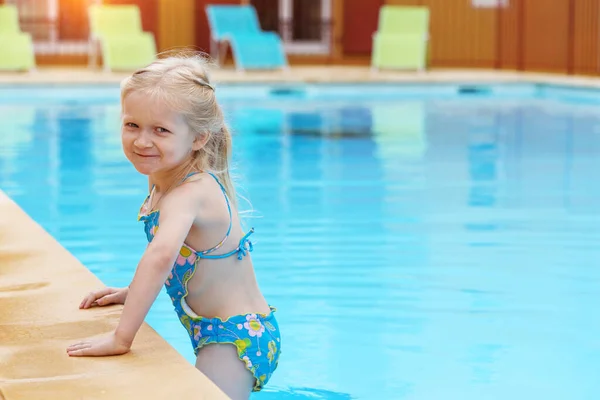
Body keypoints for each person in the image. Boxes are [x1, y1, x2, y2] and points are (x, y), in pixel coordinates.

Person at [66, 53, 281, 400]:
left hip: (236, 339)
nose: (142, 141)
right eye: (131, 125)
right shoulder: (162, 175)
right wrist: (130, 291)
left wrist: (121, 338)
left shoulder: (190, 191)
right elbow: (179, 257)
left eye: (160, 130)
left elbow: (161, 256)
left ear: (198, 138)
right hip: (218, 333)